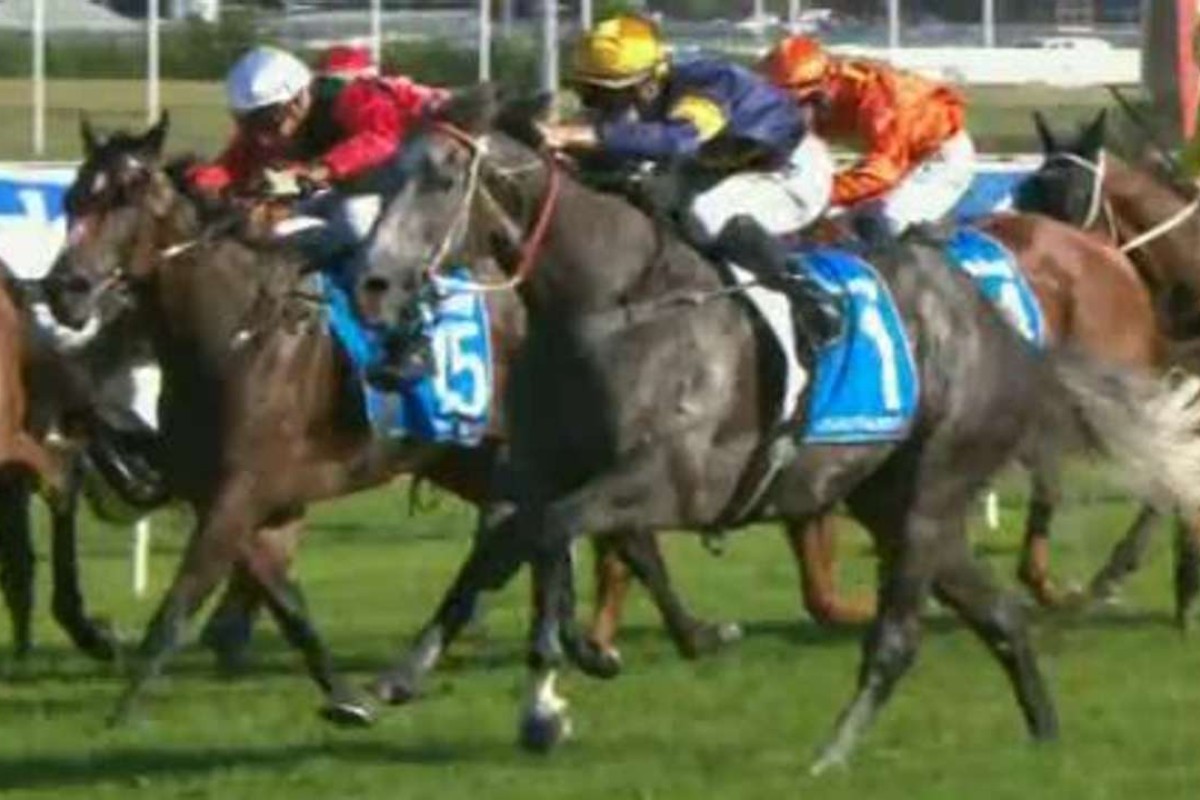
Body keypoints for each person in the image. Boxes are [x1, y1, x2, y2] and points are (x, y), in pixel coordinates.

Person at [539, 14, 840, 345]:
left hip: (788, 171)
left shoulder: (706, 84)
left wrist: (579, 135)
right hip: (720, 168)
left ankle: (808, 295)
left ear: (647, 84)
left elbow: (679, 139)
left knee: (707, 211)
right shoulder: (645, 95)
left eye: (601, 95)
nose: (591, 104)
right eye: (585, 92)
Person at [189, 45, 448, 384]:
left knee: (354, 220)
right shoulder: (267, 123)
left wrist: (318, 170)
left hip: (414, 172)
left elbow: (379, 139)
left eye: (267, 120)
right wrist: (194, 185)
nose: (260, 134)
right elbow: (231, 166)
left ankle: (412, 337)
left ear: (298, 99)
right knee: (273, 230)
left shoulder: (352, 96)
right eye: (248, 122)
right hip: (347, 183)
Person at [761, 35, 975, 243]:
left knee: (875, 222)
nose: (794, 110)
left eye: (799, 101)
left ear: (823, 85)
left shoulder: (877, 99)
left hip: (937, 159)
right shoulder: (824, 92)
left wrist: (821, 194)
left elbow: (883, 174)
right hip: (893, 158)